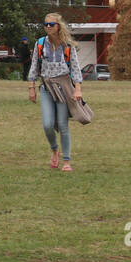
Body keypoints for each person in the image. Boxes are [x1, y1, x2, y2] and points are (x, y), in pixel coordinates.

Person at [27, 13, 84, 172]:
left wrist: (77, 89)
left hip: (64, 87)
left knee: (63, 125)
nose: (48, 27)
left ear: (58, 26)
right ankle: (54, 150)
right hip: (46, 87)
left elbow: (75, 68)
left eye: (51, 24)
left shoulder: (67, 45)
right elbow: (33, 67)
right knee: (47, 124)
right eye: (45, 24)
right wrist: (31, 88)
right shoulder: (39, 44)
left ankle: (66, 161)